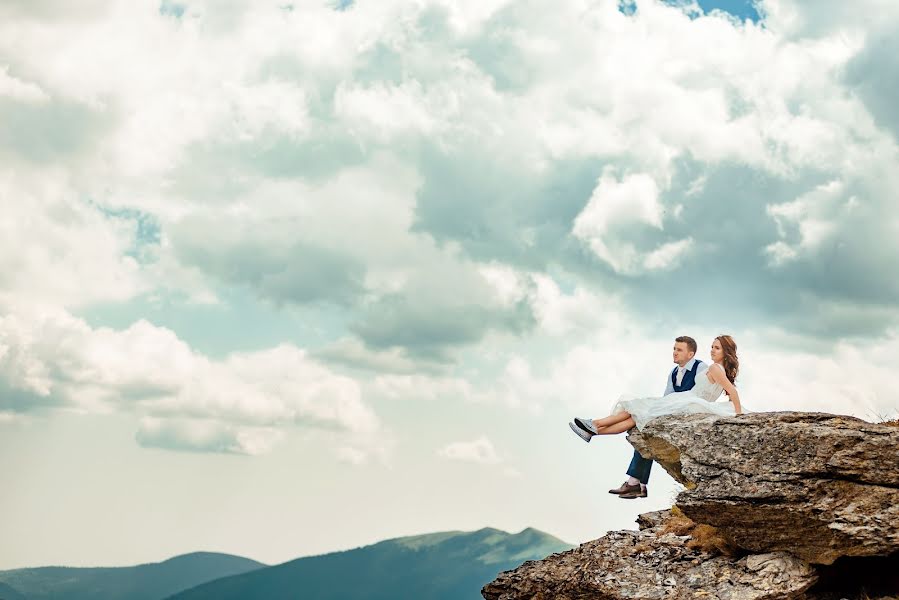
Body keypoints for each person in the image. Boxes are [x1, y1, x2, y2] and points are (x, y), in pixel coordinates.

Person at [569, 335, 743, 499]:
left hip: (688, 403)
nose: (712, 350)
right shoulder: (716, 369)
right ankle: (593, 430)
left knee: (637, 409)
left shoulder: (711, 367)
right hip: (687, 401)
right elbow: (727, 390)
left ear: (725, 352)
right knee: (637, 416)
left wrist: (739, 415)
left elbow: (732, 391)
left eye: (717, 348)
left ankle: (594, 424)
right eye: (712, 347)